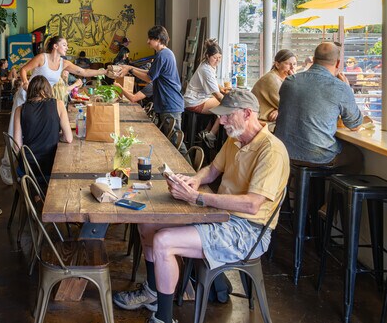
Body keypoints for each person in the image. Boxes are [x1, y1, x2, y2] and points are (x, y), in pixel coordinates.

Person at [112, 90, 290, 323]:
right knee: (147, 223)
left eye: (227, 115)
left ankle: (163, 318)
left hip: (247, 230)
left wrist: (198, 198)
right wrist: (195, 180)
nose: (222, 121)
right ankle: (153, 293)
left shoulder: (271, 150)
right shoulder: (236, 140)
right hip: (220, 215)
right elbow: (212, 170)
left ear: (247, 114)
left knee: (163, 242)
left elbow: (252, 204)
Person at [275, 42, 370, 172]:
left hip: (283, 150)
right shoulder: (340, 87)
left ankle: (306, 190)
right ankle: (329, 192)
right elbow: (355, 125)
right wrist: (347, 89)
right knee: (355, 156)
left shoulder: (290, 81)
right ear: (337, 63)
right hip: (316, 155)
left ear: (314, 60)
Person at [10, 35, 106, 136]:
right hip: (26, 95)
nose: (67, 48)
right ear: (55, 46)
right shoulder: (42, 58)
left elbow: (84, 72)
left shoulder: (64, 63)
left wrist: (104, 72)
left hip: (42, 99)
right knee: (19, 131)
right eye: (64, 45)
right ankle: (16, 151)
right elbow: (23, 70)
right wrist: (26, 82)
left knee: (33, 132)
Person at [119, 26, 187, 154]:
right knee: (172, 144)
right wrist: (129, 67)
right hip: (168, 104)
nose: (148, 42)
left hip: (170, 104)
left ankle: (190, 172)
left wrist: (131, 69)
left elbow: (149, 78)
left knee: (177, 145)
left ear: (159, 39)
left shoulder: (162, 55)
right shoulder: (165, 54)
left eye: (150, 38)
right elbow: (151, 73)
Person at [13, 76, 72, 182]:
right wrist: (57, 137)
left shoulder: (20, 110)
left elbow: (17, 147)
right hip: (53, 166)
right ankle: (40, 195)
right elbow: (68, 138)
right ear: (48, 89)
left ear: (30, 90)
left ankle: (35, 195)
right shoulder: (58, 104)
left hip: (29, 169)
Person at [183, 39, 228, 147]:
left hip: (194, 98)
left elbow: (213, 82)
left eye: (219, 57)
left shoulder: (207, 64)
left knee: (220, 107)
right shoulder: (206, 69)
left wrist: (221, 88)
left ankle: (206, 131)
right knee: (225, 108)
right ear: (207, 56)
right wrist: (229, 103)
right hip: (194, 101)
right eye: (215, 58)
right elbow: (216, 95)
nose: (217, 60)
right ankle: (211, 135)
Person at [251, 49, 297, 123]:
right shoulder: (272, 79)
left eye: (294, 64)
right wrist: (281, 110)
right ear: (277, 65)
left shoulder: (284, 79)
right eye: (288, 64)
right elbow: (293, 107)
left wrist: (279, 110)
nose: (292, 68)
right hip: (260, 123)